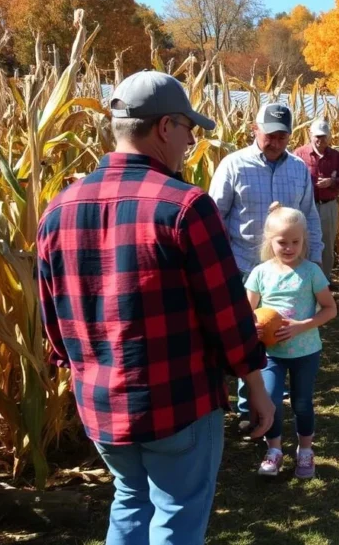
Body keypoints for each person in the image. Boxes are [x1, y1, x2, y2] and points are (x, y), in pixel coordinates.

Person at [37, 71, 275, 545]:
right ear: (165, 126)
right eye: (189, 129)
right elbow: (226, 312)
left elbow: (54, 321)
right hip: (177, 400)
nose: (191, 141)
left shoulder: (58, 209)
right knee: (178, 513)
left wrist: (78, 371)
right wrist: (257, 388)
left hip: (100, 402)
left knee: (129, 498)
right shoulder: (185, 206)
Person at [210, 103, 325, 427]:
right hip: (243, 265)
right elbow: (215, 217)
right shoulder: (233, 165)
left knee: (276, 332)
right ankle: (249, 409)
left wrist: (314, 262)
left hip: (287, 270)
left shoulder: (299, 169)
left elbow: (309, 217)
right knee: (247, 335)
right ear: (254, 128)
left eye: (282, 136)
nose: (276, 142)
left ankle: (267, 401)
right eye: (270, 135)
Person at [246, 204, 338, 478]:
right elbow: (246, 313)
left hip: (305, 350)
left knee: (302, 402)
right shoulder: (260, 273)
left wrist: (302, 326)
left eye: (295, 242)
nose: (289, 247)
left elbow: (330, 309)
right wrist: (255, 329)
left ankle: (305, 450)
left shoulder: (311, 272)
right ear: (269, 241)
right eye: (282, 242)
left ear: (303, 241)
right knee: (269, 400)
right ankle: (274, 450)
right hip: (271, 353)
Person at [294, 118, 339, 286]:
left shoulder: (336, 156)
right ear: (310, 135)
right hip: (304, 206)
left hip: (328, 205)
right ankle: (303, 281)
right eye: (317, 136)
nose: (320, 140)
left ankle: (325, 280)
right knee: (302, 242)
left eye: (324, 136)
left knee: (326, 242)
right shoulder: (299, 154)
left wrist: (331, 182)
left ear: (329, 137)